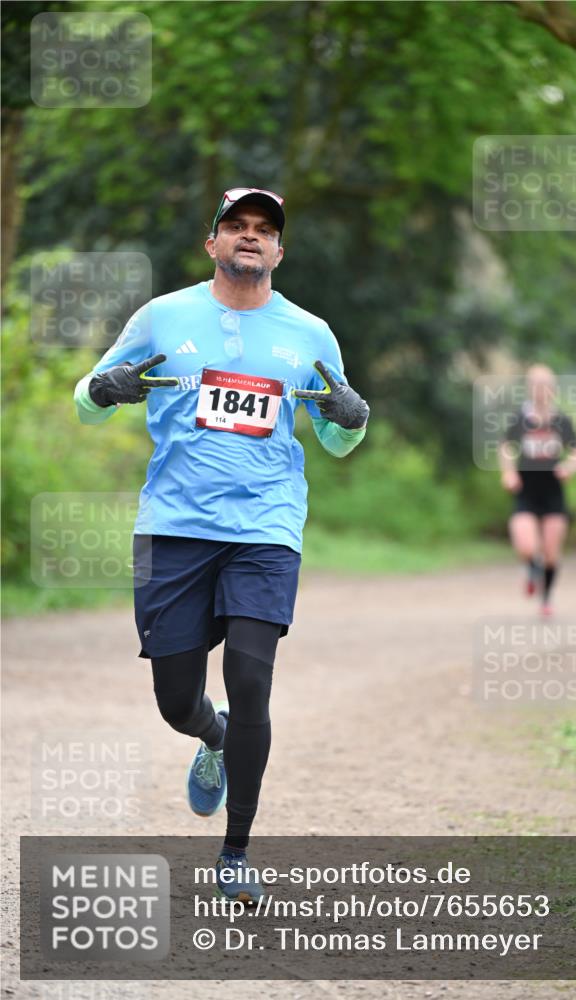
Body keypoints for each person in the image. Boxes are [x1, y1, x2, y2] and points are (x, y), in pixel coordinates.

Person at [73, 186, 369, 903]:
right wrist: (105, 390)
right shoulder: (162, 316)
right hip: (173, 527)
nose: (250, 235)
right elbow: (85, 402)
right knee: (176, 699)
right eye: (235, 225)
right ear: (212, 244)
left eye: (263, 229)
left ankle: (235, 852)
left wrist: (353, 417)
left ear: (279, 251)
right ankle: (213, 736)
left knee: (251, 677)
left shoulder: (311, 334)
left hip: (265, 529)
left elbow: (336, 439)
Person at [499, 365, 576, 616]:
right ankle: (532, 570)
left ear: (553, 389)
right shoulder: (520, 418)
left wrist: (569, 467)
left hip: (553, 491)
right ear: (529, 388)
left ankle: (546, 599)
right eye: (536, 385)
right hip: (526, 489)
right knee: (526, 546)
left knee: (551, 553)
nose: (541, 390)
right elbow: (506, 447)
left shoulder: (562, 421)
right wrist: (508, 472)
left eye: (545, 385)